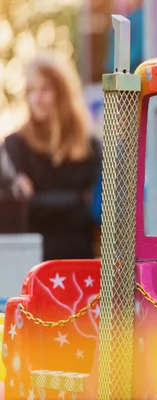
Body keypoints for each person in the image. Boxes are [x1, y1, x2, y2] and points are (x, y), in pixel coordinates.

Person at [4, 53, 102, 260]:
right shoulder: (15, 145)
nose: (36, 98)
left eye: (44, 89)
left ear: (62, 93)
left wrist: (37, 199)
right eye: (31, 90)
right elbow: (19, 209)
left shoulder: (89, 147)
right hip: (31, 261)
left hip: (79, 261)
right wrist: (76, 199)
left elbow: (95, 211)